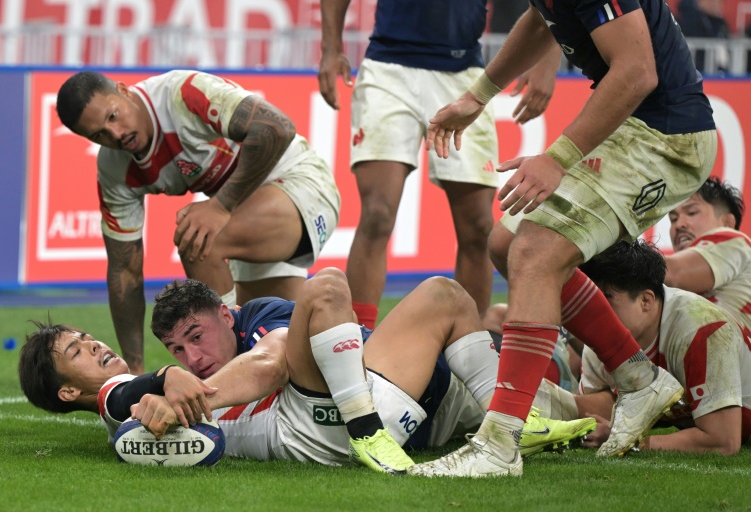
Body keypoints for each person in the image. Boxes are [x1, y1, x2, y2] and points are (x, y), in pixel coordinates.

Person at [410, 0, 717, 478]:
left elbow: (638, 72)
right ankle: (638, 379)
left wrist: (556, 159)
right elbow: (542, 19)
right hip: (635, 125)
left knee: (534, 251)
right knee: (506, 244)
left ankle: (498, 445)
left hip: (667, 138)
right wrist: (479, 95)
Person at [18, 270, 596, 472]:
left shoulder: (260, 318)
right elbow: (267, 368)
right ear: (69, 388)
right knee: (327, 288)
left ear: (228, 315)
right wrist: (164, 388)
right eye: (77, 351)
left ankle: (514, 417)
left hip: (396, 394)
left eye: (87, 338)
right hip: (335, 417)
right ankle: (381, 430)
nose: (94, 346)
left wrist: (174, 392)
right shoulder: (119, 397)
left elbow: (268, 362)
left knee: (590, 416)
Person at [55, 70, 341, 375]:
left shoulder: (182, 94)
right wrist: (134, 371)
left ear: (125, 91)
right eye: (99, 135)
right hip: (244, 216)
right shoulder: (114, 168)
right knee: (292, 345)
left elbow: (276, 127)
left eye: (113, 116)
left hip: (300, 183)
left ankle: (229, 381)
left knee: (200, 238)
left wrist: (219, 205)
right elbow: (125, 271)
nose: (115, 134)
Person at [317, 0, 562, 327]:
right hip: (387, 70)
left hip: (465, 77)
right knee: (377, 214)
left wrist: (548, 57)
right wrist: (330, 47)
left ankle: (468, 351)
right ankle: (358, 341)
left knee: (477, 228)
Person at [538, 240, 751, 455]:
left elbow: (723, 440)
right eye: (591, 300)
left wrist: (633, 443)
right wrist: (550, 400)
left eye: (605, 299)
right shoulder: (601, 337)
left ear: (646, 300)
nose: (594, 312)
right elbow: (602, 413)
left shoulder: (702, 330)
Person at [665, 176, 751, 336]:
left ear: (727, 223)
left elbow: (674, 273)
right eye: (673, 219)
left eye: (691, 212)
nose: (679, 224)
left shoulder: (736, 242)